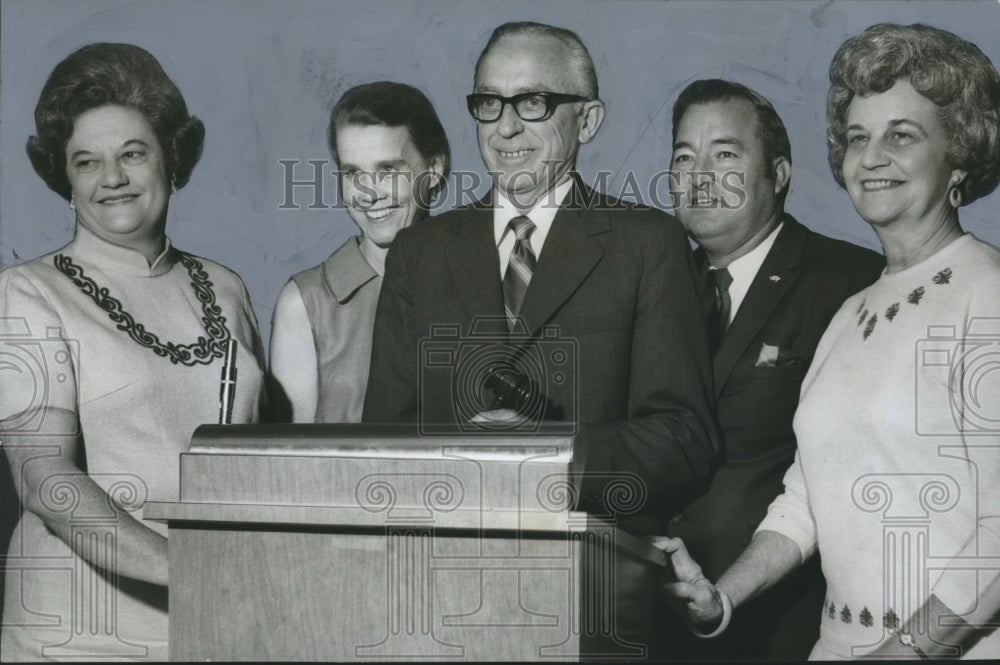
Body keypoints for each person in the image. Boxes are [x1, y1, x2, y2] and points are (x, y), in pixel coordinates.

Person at [658, 23, 1000, 659]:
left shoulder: (989, 295)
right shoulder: (852, 310)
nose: (872, 158)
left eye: (902, 136)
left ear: (957, 152)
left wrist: (901, 655)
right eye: (858, 138)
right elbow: (806, 501)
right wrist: (722, 597)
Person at [363, 21, 719, 531]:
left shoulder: (647, 243)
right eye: (489, 103)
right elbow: (381, 444)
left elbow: (684, 439)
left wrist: (550, 457)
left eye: (533, 102)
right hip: (440, 565)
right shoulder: (418, 254)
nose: (506, 128)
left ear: (588, 121)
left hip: (591, 575)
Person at [0, 43, 265, 660]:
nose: (111, 179)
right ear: (62, 177)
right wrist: (189, 568)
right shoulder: (25, 292)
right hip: (77, 635)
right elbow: (45, 482)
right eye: (86, 161)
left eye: (132, 154)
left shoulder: (226, 288)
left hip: (217, 623)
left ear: (173, 160)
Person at [657, 79, 884, 659]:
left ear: (778, 173)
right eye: (684, 157)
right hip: (649, 620)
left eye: (725, 155)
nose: (699, 174)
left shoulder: (853, 283)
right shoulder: (647, 287)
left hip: (785, 627)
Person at [268, 82, 448, 423]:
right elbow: (289, 464)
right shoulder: (305, 303)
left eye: (388, 170)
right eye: (352, 173)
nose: (368, 194)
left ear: (435, 168)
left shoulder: (477, 280)